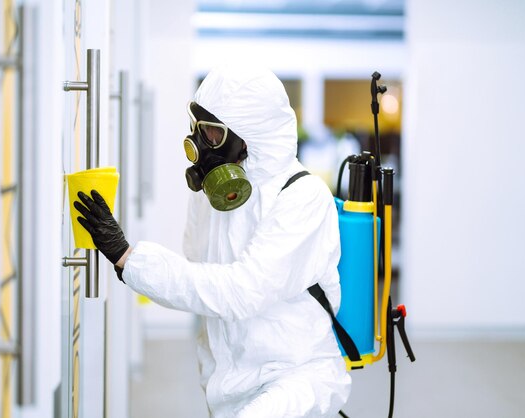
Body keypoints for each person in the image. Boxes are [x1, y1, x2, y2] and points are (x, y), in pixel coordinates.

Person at [74, 65, 351, 417]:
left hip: (295, 379)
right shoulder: (211, 198)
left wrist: (129, 258)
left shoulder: (303, 196)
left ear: (249, 137)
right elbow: (198, 280)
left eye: (210, 134)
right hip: (228, 387)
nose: (197, 145)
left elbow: (242, 292)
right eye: (196, 129)